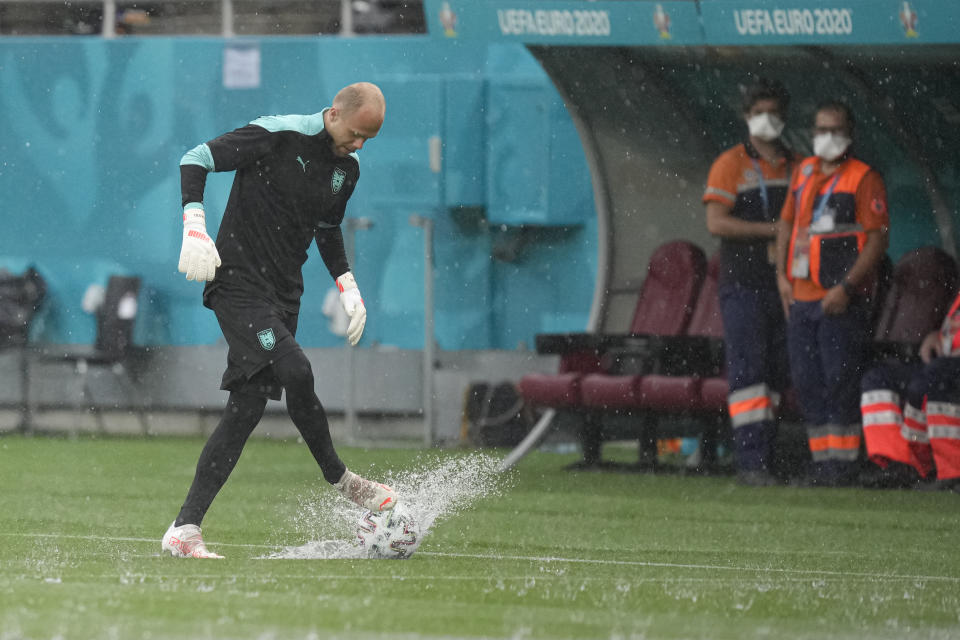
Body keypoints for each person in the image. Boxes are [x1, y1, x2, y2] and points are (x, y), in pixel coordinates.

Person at [162, 82, 397, 559]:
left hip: (283, 295)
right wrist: (194, 224)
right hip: (236, 285)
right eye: (356, 134)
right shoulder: (277, 134)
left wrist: (348, 286)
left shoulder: (346, 169)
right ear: (333, 114)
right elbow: (195, 157)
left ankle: (184, 530)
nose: (359, 146)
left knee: (245, 410)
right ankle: (341, 478)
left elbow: (328, 231)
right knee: (297, 370)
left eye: (368, 140)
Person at [775, 100, 890, 486]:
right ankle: (820, 463)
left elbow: (877, 241)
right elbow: (786, 226)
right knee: (807, 382)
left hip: (839, 298)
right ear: (811, 133)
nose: (828, 138)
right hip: (801, 296)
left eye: (836, 130)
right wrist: (781, 277)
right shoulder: (804, 170)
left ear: (850, 134)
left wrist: (847, 287)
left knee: (838, 380)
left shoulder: (863, 177)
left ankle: (842, 466)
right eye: (822, 130)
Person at [703, 78, 795, 486]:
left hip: (787, 283)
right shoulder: (731, 163)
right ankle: (751, 462)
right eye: (759, 113)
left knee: (777, 371)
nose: (766, 121)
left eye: (774, 112)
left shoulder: (798, 165)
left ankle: (770, 457)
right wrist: (769, 231)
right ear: (745, 117)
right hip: (743, 283)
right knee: (748, 372)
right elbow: (716, 222)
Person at [859, 290, 960, 492]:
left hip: (949, 368)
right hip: (943, 361)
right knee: (878, 380)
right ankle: (897, 462)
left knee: (930, 382)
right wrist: (934, 336)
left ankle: (948, 471)